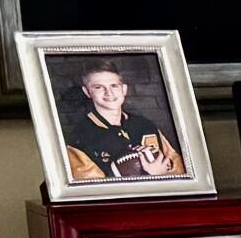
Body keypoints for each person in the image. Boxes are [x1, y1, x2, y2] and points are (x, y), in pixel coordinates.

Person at [58, 62, 186, 182]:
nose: (109, 93)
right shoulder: (79, 138)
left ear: (124, 89)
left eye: (114, 86)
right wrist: (149, 177)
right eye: (98, 87)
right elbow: (90, 191)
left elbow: (179, 168)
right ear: (87, 92)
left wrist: (163, 174)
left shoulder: (145, 126)